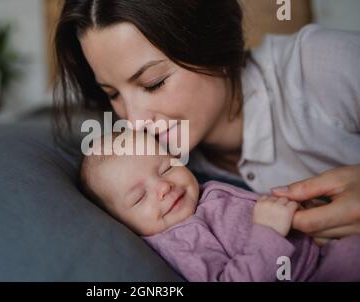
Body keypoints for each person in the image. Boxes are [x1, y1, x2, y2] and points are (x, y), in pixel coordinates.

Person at [54, 0, 360, 241]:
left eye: (153, 83)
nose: (133, 121)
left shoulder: (320, 65)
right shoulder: (158, 175)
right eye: (112, 93)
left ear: (211, 44)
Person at [79, 131, 360, 281]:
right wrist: (268, 233)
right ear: (120, 223)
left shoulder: (200, 195)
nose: (163, 187)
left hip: (320, 251)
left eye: (166, 168)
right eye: (139, 197)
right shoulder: (181, 240)